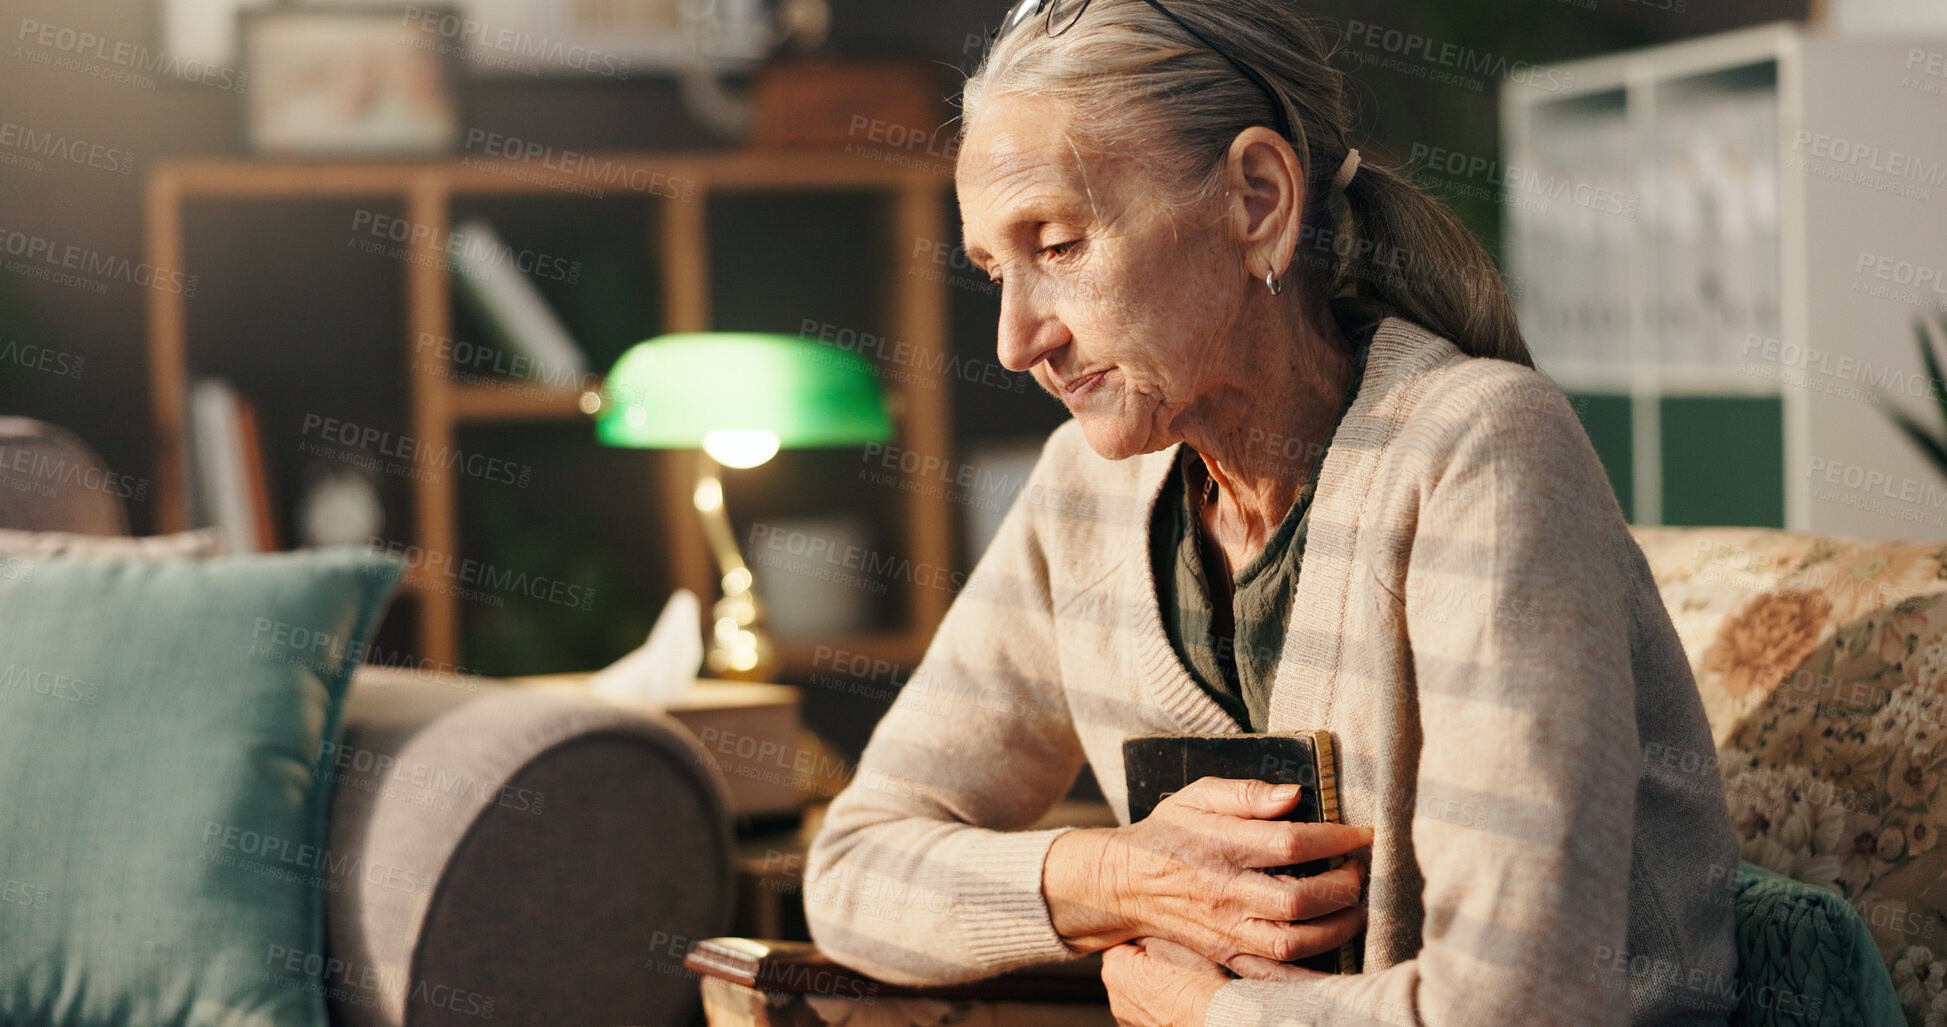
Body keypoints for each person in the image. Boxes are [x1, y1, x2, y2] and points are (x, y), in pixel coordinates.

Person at [803, 0, 1740, 1023]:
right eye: (995, 270)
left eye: (1060, 246)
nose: (1015, 340)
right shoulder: (1085, 491)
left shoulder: (1481, 455)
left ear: (1256, 199)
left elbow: (1523, 1001)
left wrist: (1209, 1014)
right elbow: (852, 870)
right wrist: (1115, 877)